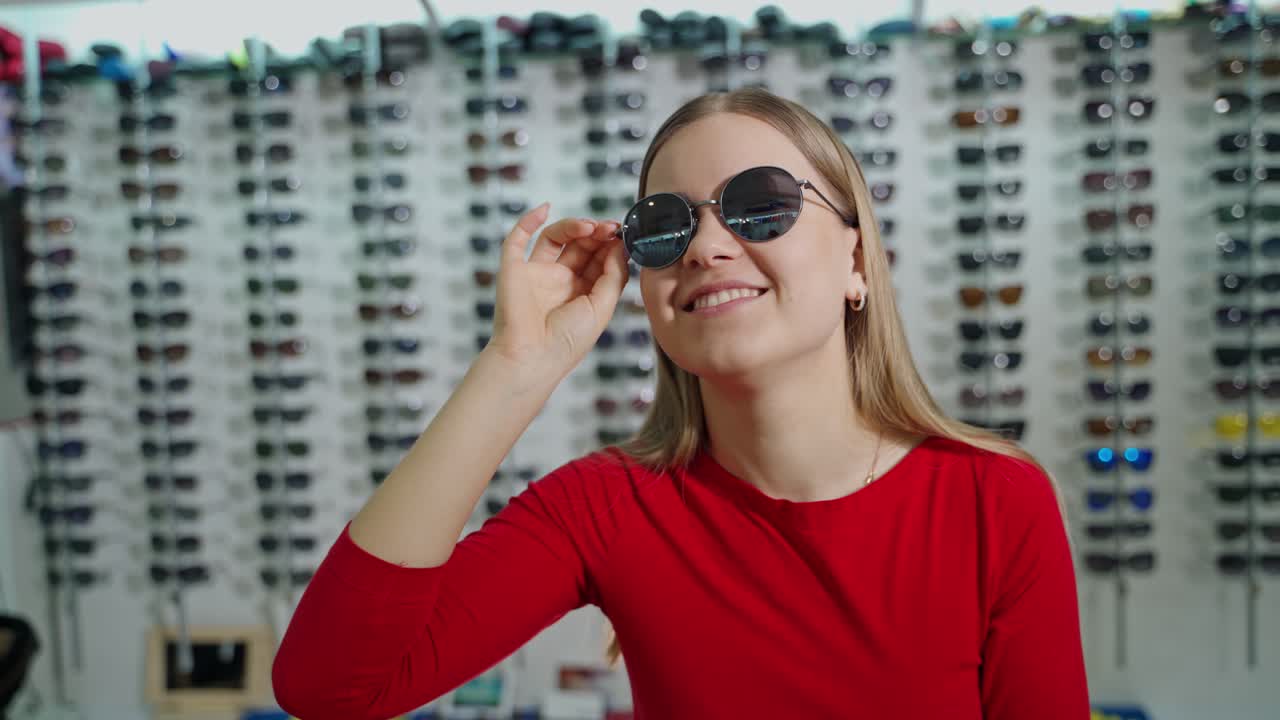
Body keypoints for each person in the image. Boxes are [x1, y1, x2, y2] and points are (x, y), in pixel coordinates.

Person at [271, 87, 1089, 719]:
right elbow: (333, 687)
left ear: (857, 261)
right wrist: (515, 367)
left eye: (761, 204)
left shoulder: (991, 499)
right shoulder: (608, 508)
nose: (705, 245)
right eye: (664, 226)